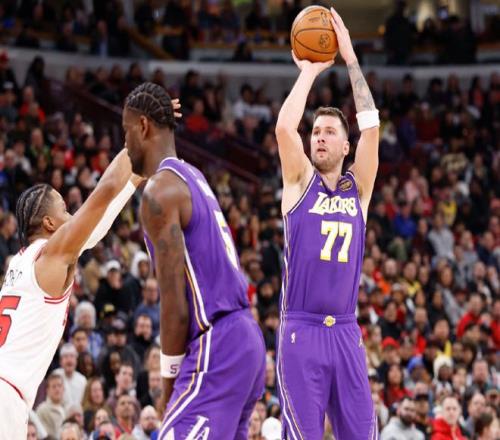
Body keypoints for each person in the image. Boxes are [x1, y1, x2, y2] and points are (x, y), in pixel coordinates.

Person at [122, 81, 266, 439]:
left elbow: (174, 304)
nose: (125, 144)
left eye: (126, 131)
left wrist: (169, 385)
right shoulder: (194, 177)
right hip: (245, 340)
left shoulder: (159, 192)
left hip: (218, 344)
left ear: (143, 126)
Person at [274, 7, 380, 439]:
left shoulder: (359, 189)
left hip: (347, 331)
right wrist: (309, 72)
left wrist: (350, 58)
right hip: (301, 330)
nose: (319, 136)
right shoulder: (300, 181)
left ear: (345, 145)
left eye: (329, 131)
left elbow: (372, 129)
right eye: (316, 131)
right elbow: (285, 129)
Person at [0, 148, 142, 439]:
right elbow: (104, 192)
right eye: (65, 210)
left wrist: (137, 176)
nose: (72, 216)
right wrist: (138, 142)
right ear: (49, 223)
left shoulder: (20, 262)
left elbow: (94, 231)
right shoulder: (51, 255)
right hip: (6, 396)